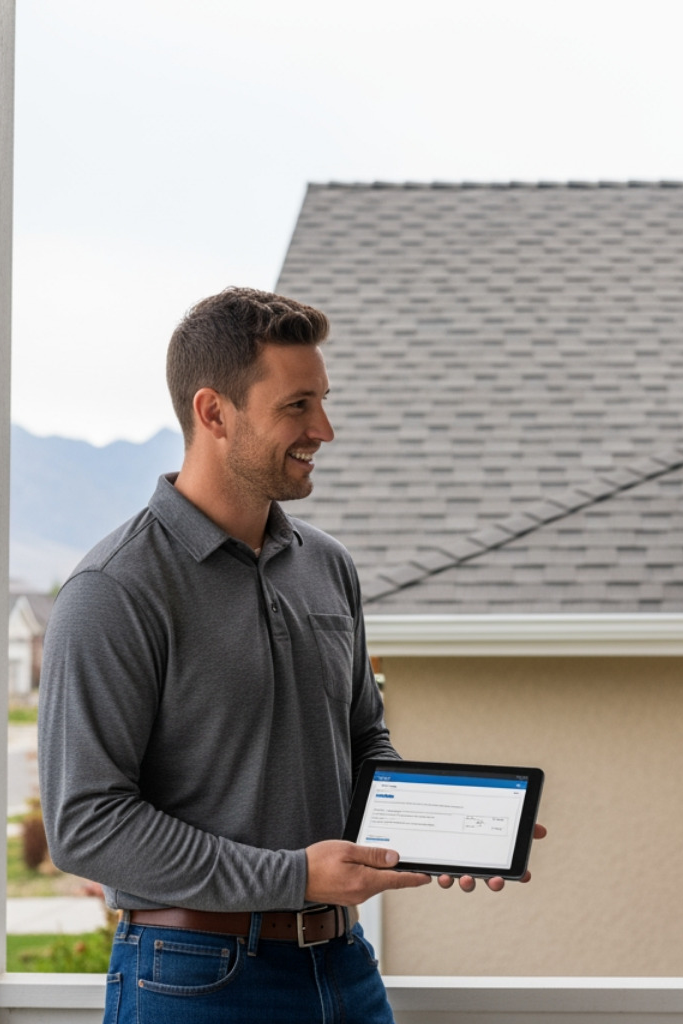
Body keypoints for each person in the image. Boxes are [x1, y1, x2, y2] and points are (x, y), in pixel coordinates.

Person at [38, 287, 534, 1024]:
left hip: (343, 967)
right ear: (214, 413)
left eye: (322, 401)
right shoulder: (115, 590)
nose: (324, 429)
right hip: (194, 980)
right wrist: (294, 876)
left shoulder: (327, 566)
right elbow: (87, 824)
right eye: (297, 406)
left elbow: (363, 739)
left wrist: (446, 826)